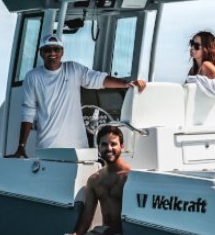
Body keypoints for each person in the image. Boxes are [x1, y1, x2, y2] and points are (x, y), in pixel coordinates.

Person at [8, 33, 146, 158]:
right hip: (47, 146)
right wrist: (21, 146)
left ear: (62, 52)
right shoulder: (32, 77)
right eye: (47, 49)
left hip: (78, 147)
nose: (52, 53)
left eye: (56, 49)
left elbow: (98, 79)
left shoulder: (73, 69)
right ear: (41, 53)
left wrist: (126, 84)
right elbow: (28, 112)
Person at [46, 125, 131, 235]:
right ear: (98, 147)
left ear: (122, 146)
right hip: (101, 232)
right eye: (104, 144)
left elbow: (129, 220)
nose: (109, 148)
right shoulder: (94, 180)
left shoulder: (130, 178)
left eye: (113, 144)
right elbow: (86, 218)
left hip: (122, 232)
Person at [184, 30, 215, 98]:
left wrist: (198, 80)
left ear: (206, 48)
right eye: (191, 43)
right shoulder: (192, 70)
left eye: (196, 46)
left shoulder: (206, 65)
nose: (192, 48)